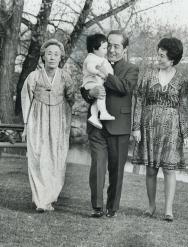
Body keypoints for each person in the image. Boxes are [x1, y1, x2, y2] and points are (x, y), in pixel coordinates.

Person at [80, 30, 139, 218]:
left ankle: (112, 208)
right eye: (109, 45)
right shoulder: (93, 61)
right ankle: (97, 206)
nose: (112, 50)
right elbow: (84, 88)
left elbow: (125, 88)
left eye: (117, 46)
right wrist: (91, 94)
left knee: (116, 170)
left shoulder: (131, 69)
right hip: (96, 125)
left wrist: (107, 75)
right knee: (97, 166)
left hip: (119, 126)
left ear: (125, 49)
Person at [131, 37, 188, 222]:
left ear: (172, 57)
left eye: (162, 55)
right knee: (150, 169)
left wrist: (185, 133)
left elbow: (183, 107)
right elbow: (139, 100)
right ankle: (151, 206)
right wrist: (136, 127)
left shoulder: (181, 79)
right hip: (149, 126)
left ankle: (168, 210)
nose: (159, 57)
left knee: (169, 169)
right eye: (159, 53)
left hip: (172, 129)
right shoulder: (148, 75)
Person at [21, 39, 76, 213]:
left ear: (61, 58)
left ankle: (50, 197)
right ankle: (40, 201)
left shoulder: (66, 77)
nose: (52, 57)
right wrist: (26, 124)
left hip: (58, 121)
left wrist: (66, 118)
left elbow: (71, 98)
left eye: (56, 54)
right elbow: (26, 99)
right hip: (38, 119)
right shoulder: (34, 76)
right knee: (38, 158)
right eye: (49, 54)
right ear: (43, 56)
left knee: (56, 159)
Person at [82, 33, 115, 129]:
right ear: (94, 49)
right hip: (91, 83)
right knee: (101, 94)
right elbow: (90, 68)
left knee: (96, 102)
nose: (106, 50)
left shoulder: (100, 58)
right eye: (104, 48)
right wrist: (98, 73)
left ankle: (94, 117)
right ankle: (103, 113)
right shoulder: (91, 57)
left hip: (95, 83)